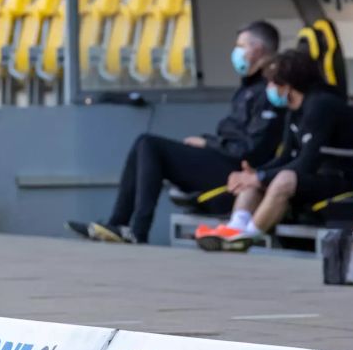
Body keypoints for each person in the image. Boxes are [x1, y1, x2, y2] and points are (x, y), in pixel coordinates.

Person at [66, 21, 284, 244]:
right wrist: (208, 142)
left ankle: (137, 230)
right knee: (144, 144)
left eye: (241, 45)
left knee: (150, 145)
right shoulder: (247, 88)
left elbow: (252, 150)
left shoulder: (269, 91)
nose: (236, 52)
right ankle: (118, 224)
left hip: (236, 171)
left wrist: (208, 145)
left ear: (257, 50)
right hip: (223, 159)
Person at [195, 49, 353, 252]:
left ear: (288, 85)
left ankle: (249, 236)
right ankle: (234, 229)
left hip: (345, 180)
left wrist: (262, 176)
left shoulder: (322, 105)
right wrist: (254, 175)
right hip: (314, 179)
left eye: (272, 83)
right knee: (253, 180)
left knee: (282, 178)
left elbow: (307, 163)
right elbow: (285, 157)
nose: (269, 88)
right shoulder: (293, 110)